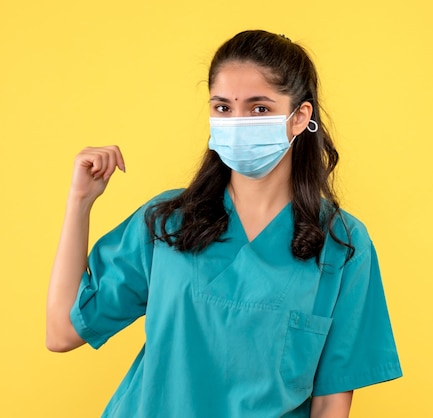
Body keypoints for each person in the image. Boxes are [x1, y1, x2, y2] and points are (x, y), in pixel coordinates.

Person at [46, 29, 402, 417]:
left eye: (259, 108)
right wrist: (80, 202)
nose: (238, 122)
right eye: (223, 108)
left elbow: (331, 400)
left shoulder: (341, 244)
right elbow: (62, 332)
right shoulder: (168, 222)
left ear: (300, 117)